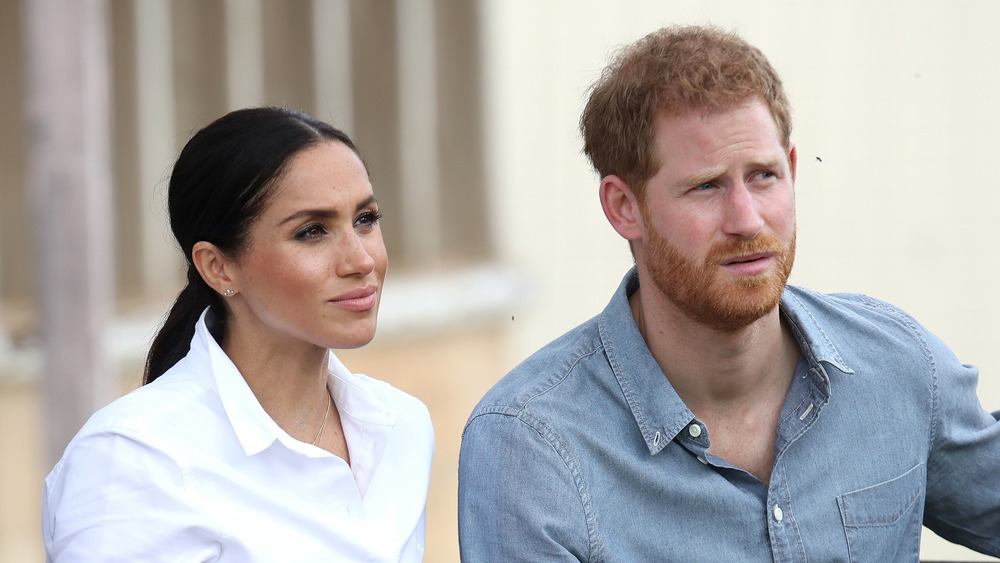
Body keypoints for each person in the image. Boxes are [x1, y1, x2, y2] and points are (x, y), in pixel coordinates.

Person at [458, 25, 1000, 561]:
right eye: (707, 186)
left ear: (792, 170)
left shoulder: (899, 367)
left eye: (763, 176)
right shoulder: (531, 448)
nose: (747, 219)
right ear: (624, 208)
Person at [42, 107, 434, 561]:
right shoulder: (135, 459)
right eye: (312, 231)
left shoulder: (401, 426)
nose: (361, 260)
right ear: (218, 266)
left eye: (365, 219)